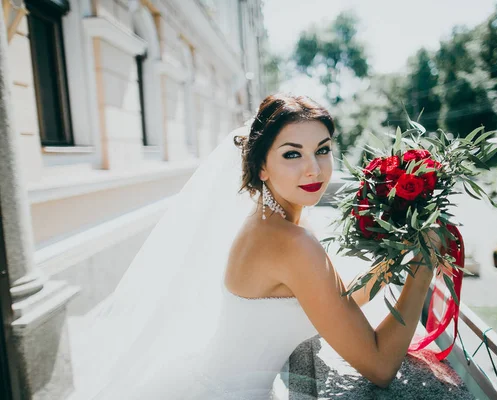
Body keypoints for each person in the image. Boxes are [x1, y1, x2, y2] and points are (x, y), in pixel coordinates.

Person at [77, 94, 438, 400]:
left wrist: (396, 256)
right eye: (292, 155)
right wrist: (424, 267)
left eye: (322, 150)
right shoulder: (288, 242)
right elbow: (380, 366)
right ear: (261, 165)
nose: (313, 169)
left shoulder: (276, 217)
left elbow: (336, 300)